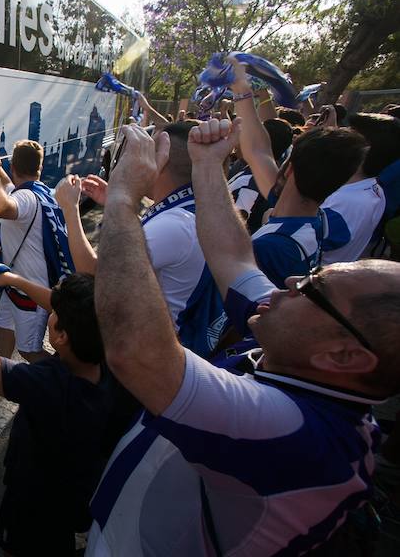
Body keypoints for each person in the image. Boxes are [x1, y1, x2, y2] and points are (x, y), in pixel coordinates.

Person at [85, 119, 400, 556]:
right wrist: (208, 165)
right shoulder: (307, 346)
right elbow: (235, 258)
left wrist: (121, 200)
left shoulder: (295, 436)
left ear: (345, 355)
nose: (289, 283)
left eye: (313, 289)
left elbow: (137, 352)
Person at [0, 231, 139, 557]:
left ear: (62, 336)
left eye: (54, 316)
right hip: (76, 497)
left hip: (36, 508)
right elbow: (70, 311)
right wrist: (14, 280)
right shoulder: (113, 366)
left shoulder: (52, 385)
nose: (50, 313)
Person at [56, 121, 226, 358]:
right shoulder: (191, 208)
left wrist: (70, 210)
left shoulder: (175, 226)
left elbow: (95, 273)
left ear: (161, 161)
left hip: (147, 357)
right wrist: (115, 203)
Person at [228, 60, 365, 287]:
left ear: (289, 168)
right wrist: (242, 91)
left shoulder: (271, 247)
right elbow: (259, 150)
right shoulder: (318, 219)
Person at [0, 132, 74, 362]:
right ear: (39, 168)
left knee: (29, 350)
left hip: (31, 292)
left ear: (13, 165)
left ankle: (64, 381)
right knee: (2, 325)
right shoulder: (42, 192)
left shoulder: (25, 199)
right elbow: (9, 184)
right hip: (16, 284)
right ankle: (2, 370)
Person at [321, 113, 400, 264]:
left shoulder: (344, 204)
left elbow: (292, 244)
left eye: (347, 134)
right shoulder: (371, 188)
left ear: (363, 151)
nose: (337, 136)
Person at [227, 117, 293, 234]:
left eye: (245, 136)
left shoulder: (250, 183)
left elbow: (231, 230)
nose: (239, 140)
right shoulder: (267, 175)